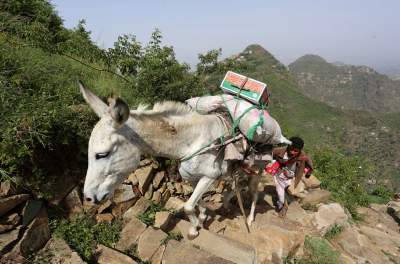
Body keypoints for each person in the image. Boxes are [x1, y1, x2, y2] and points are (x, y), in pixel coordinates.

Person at [271, 136, 313, 217]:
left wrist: (308, 173)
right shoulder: (281, 151)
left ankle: (284, 207)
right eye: (291, 149)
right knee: (280, 195)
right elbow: (270, 153)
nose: (293, 152)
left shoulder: (303, 157)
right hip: (280, 177)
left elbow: (310, 165)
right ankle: (282, 203)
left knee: (288, 192)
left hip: (292, 178)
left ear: (300, 150)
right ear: (288, 146)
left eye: (296, 151)